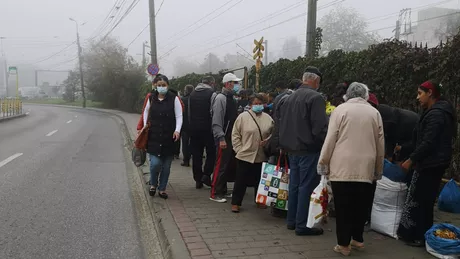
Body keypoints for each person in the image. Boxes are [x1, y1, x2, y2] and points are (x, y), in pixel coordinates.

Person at [317, 82, 385, 256]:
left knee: (343, 207)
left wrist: (323, 162)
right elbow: (380, 144)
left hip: (342, 167)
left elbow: (330, 138)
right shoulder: (374, 112)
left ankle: (344, 245)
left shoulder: (340, 110)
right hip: (366, 167)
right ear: (365, 95)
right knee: (361, 205)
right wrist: (378, 169)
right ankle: (358, 239)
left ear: (348, 94)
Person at [397, 80, 457, 247]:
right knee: (421, 198)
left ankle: (420, 236)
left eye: (420, 93)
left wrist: (411, 159)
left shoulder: (437, 114)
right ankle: (417, 234)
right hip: (430, 162)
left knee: (422, 199)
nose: (418, 97)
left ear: (430, 93)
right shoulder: (434, 112)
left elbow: (429, 142)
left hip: (431, 163)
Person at [279, 67, 328, 236]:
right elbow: (319, 128)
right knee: (306, 187)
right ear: (316, 81)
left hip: (292, 149)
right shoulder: (316, 98)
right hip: (308, 149)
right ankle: (302, 225)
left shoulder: (289, 97)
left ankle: (291, 221)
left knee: (294, 186)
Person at [231, 94, 274, 212]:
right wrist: (238, 149)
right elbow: (235, 134)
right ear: (250, 105)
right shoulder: (243, 117)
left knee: (260, 180)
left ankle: (259, 200)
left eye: (260, 103)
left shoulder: (268, 118)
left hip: (261, 155)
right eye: (255, 104)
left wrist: (268, 141)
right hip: (245, 154)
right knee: (240, 180)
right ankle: (236, 203)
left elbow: (273, 134)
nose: (258, 106)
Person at [142, 75, 183, 199]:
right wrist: (145, 126)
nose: (161, 87)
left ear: (168, 86)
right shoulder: (151, 98)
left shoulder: (174, 98)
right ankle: (153, 183)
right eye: (159, 85)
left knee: (166, 166)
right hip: (154, 135)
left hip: (169, 136)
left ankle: (162, 188)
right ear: (155, 85)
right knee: (155, 164)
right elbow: (145, 112)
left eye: (163, 85)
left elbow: (179, 116)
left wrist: (177, 130)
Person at [210, 73, 241, 203]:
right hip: (223, 137)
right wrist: (221, 137)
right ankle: (215, 192)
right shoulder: (221, 98)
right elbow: (217, 120)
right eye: (235, 83)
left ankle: (222, 189)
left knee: (227, 165)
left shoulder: (231, 98)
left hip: (230, 137)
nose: (237, 85)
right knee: (220, 165)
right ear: (228, 84)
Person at [188, 76, 217, 188]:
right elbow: (213, 112)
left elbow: (189, 113)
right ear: (211, 83)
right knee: (211, 153)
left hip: (194, 129)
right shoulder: (212, 93)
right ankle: (206, 174)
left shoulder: (193, 94)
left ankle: (198, 180)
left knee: (196, 155)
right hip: (208, 129)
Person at [180, 84, 194, 167]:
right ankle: (192, 156)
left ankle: (186, 160)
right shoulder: (195, 99)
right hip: (194, 125)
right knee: (192, 143)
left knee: (185, 143)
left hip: (184, 125)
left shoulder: (182, 100)